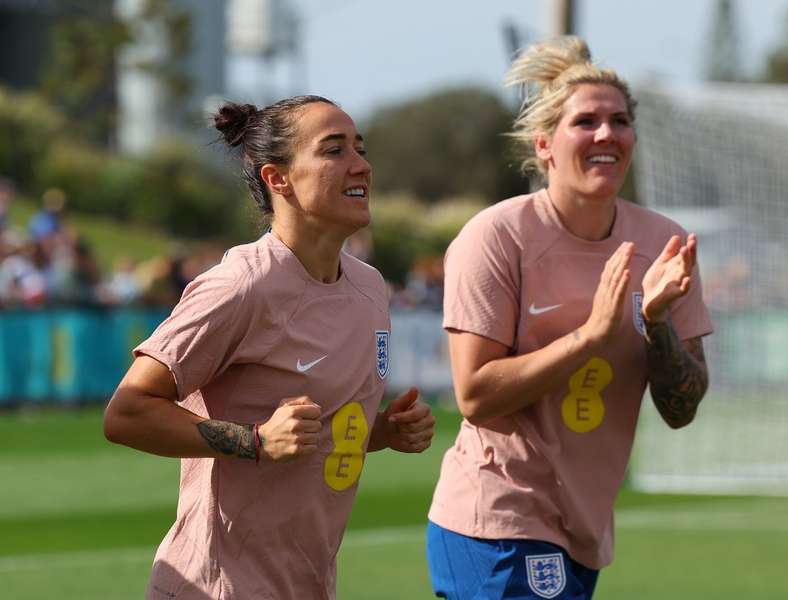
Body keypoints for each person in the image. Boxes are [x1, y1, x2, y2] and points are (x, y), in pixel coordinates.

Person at [103, 95, 436, 600]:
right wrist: (254, 441)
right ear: (277, 179)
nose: (361, 165)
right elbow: (127, 412)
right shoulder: (240, 286)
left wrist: (380, 431)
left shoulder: (370, 289)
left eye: (360, 149)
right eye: (334, 150)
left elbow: (310, 435)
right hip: (217, 588)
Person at [426, 37, 713, 599]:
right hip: (499, 518)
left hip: (585, 527)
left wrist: (655, 324)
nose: (606, 133)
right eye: (586, 122)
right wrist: (589, 338)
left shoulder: (666, 244)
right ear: (545, 146)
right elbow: (475, 394)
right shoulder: (497, 237)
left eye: (620, 121)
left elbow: (682, 408)